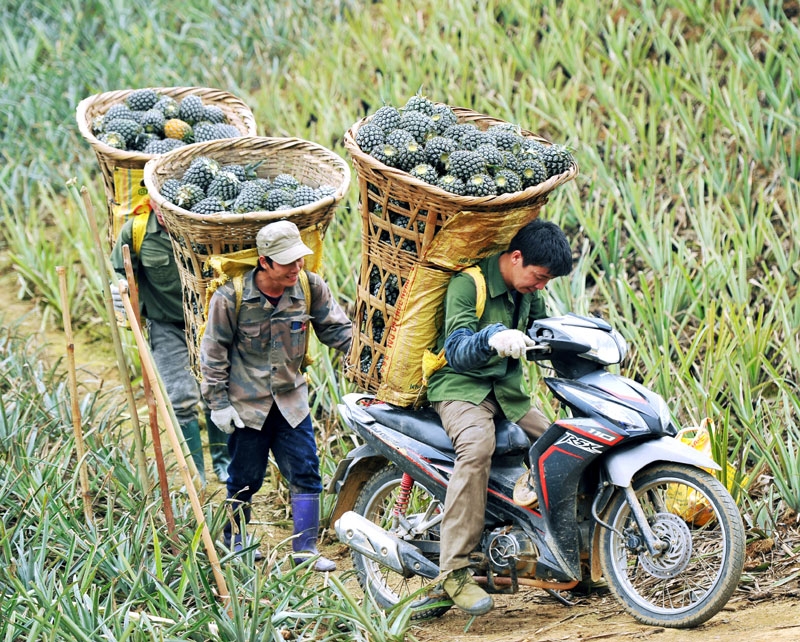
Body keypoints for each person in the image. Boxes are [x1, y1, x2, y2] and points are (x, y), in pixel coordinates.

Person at [425, 218, 573, 616]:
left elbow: (544, 333)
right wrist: (491, 338)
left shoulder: (528, 293)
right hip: (460, 389)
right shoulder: (468, 284)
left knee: (562, 441)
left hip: (506, 394)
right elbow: (455, 349)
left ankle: (561, 546)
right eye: (538, 277)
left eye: (546, 282)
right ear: (516, 257)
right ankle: (453, 571)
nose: (540, 286)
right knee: (477, 447)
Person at [200, 220, 352, 569]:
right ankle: (234, 540)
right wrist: (218, 404)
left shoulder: (310, 287)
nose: (296, 268)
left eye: (299, 259)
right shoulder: (231, 298)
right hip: (246, 404)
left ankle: (305, 550)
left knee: (306, 471)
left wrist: (371, 356)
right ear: (264, 262)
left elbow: (337, 330)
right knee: (245, 478)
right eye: (287, 262)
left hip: (290, 401)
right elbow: (213, 353)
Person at [110, 206, 231, 485]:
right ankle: (196, 472)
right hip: (166, 325)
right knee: (181, 398)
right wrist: (119, 287)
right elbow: (117, 269)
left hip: (208, 325)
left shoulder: (203, 226)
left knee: (216, 393)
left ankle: (223, 463)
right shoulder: (137, 230)